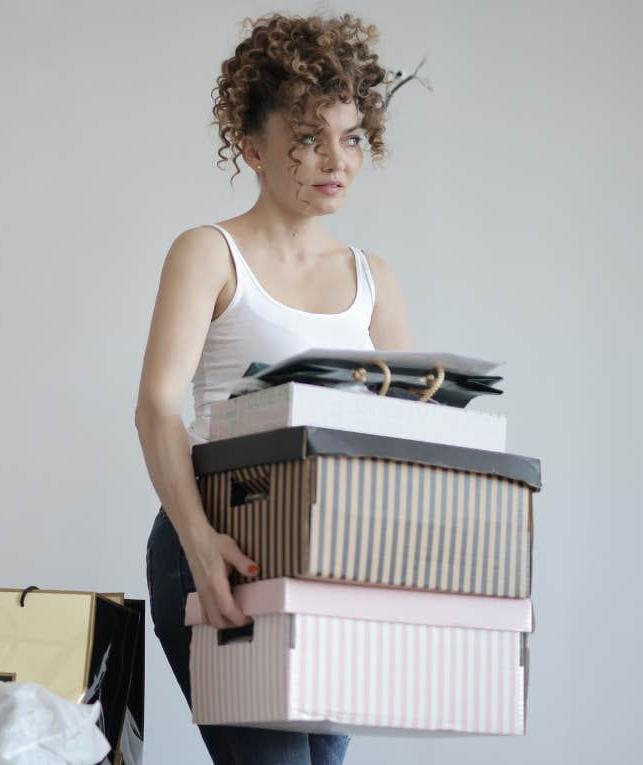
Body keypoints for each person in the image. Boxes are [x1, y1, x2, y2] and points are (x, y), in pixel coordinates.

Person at [134, 13, 413, 765]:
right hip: (226, 544)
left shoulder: (373, 280)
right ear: (253, 147)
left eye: (352, 136)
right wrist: (197, 544)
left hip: (337, 561)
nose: (337, 158)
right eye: (309, 136)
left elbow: (401, 440)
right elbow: (158, 405)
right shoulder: (209, 253)